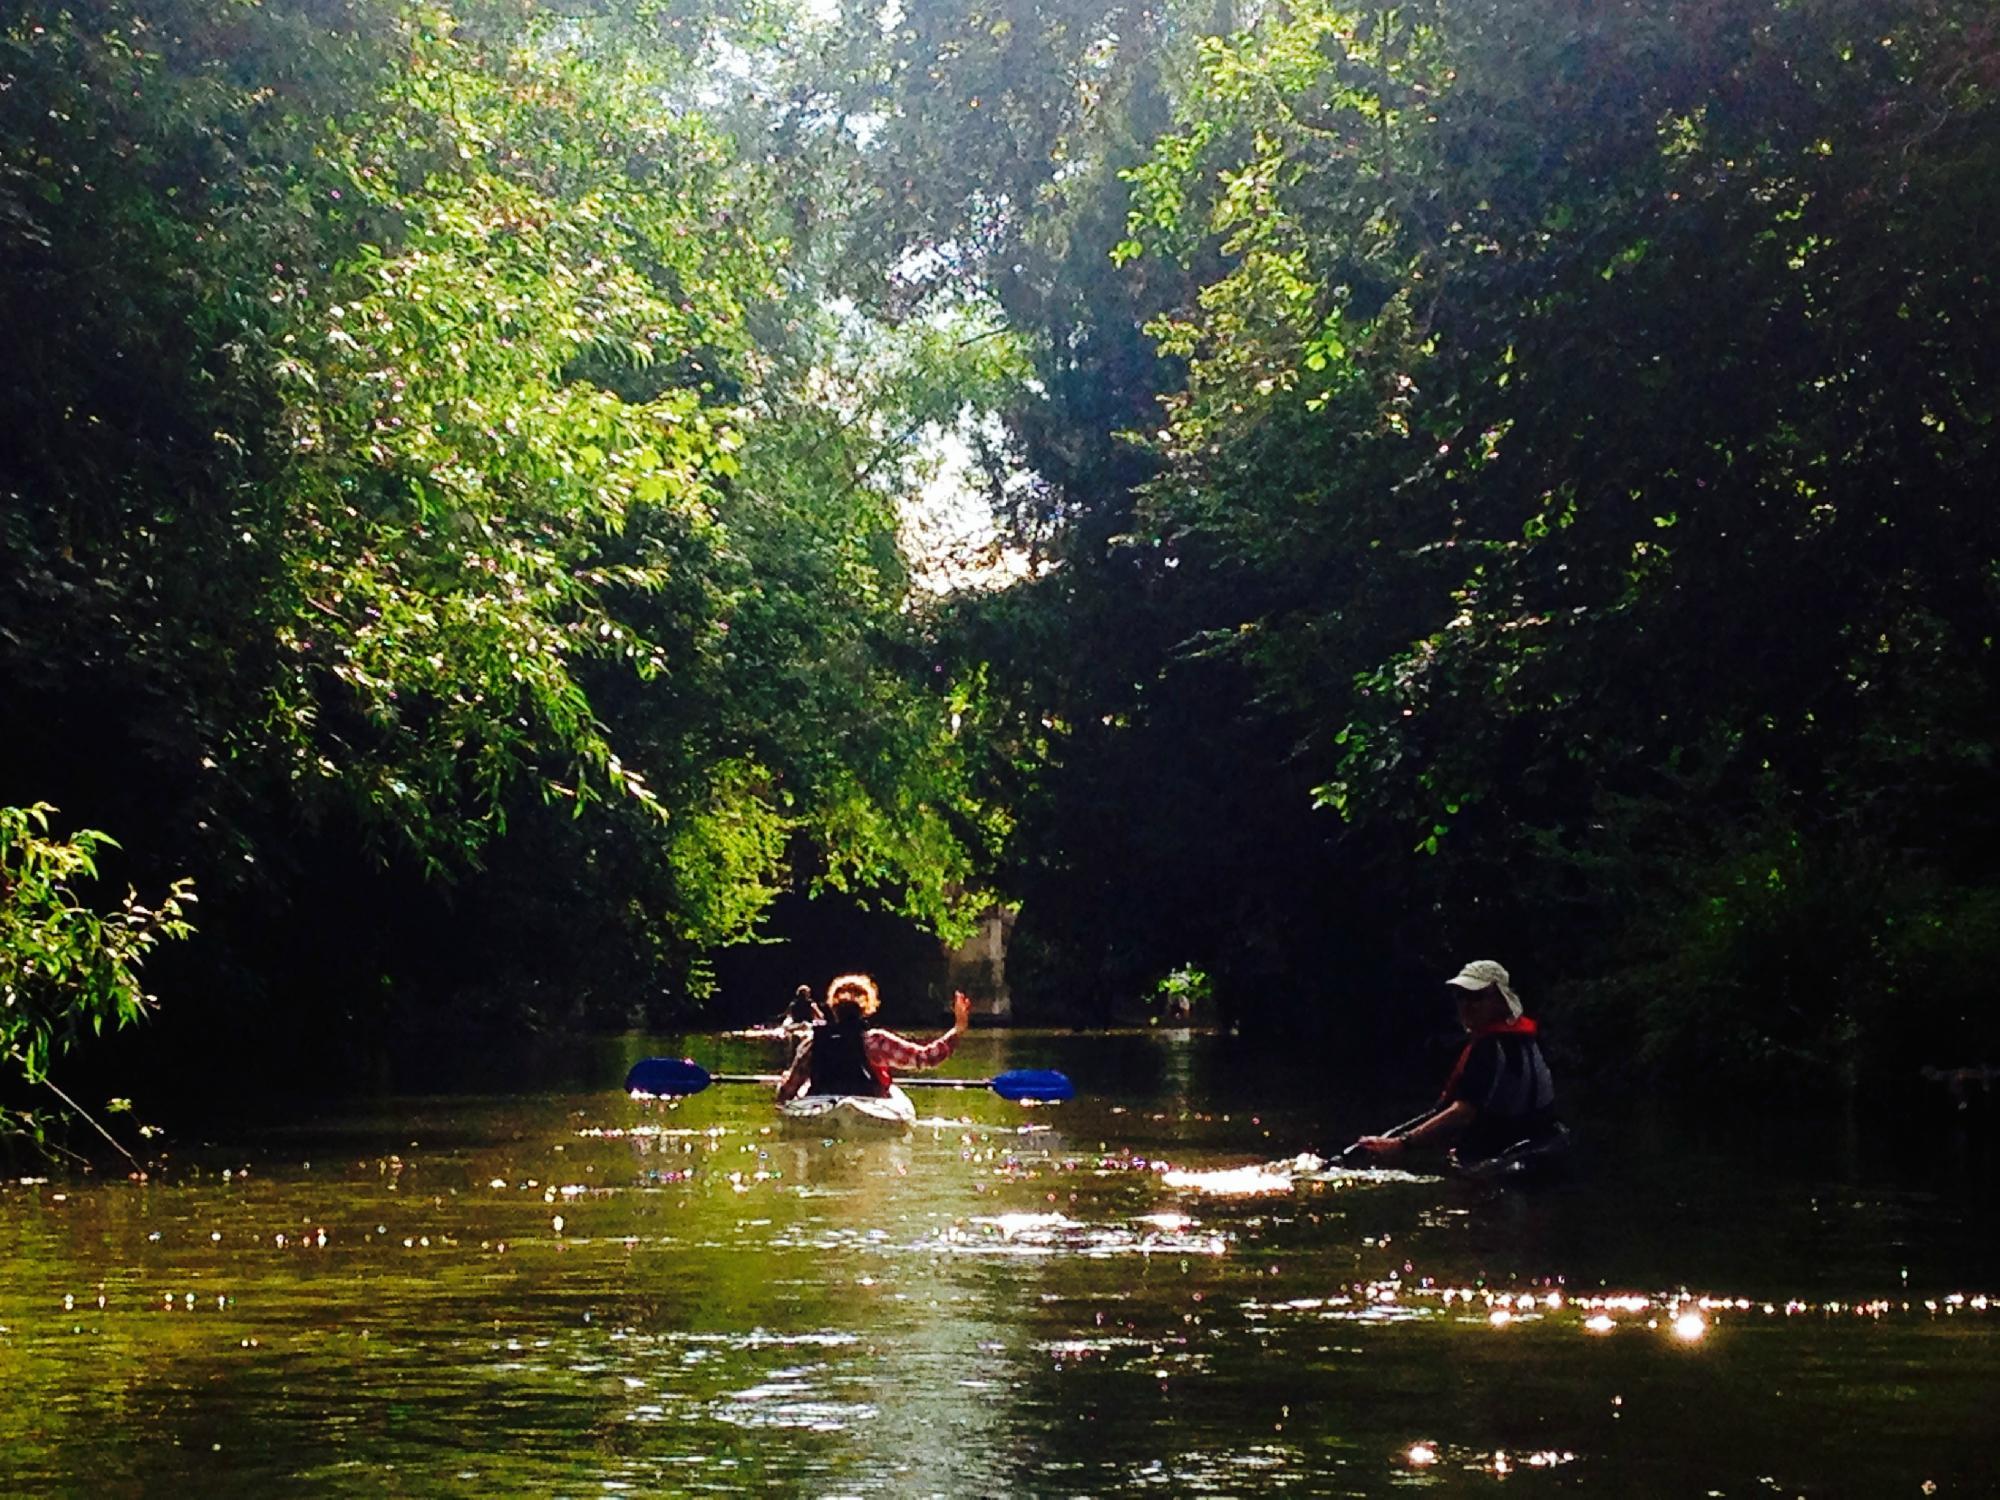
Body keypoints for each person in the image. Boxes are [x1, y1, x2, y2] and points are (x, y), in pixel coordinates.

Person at [1354, 960, 1562, 1170]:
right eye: (1460, 996)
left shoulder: (1490, 1048)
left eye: (1476, 997)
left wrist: (1401, 1144)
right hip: (1537, 1148)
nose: (1466, 1005)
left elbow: (1463, 1113)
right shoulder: (1524, 1039)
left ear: (1501, 1001)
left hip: (1505, 1158)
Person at [776, 974, 973, 1101]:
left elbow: (788, 1092)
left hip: (822, 1102)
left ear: (832, 1007)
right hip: (869, 1102)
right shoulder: (877, 1043)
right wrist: (958, 1028)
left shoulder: (813, 1043)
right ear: (867, 1008)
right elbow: (925, 1058)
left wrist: (783, 1084)